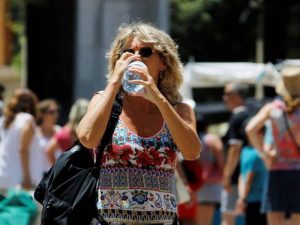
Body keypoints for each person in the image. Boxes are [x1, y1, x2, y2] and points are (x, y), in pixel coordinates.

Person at [76, 22, 202, 225]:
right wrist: (114, 83)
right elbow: (87, 139)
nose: (136, 57)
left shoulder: (180, 109)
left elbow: (192, 152)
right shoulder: (104, 101)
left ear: (163, 62)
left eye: (145, 52)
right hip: (109, 221)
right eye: (128, 52)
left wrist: (159, 99)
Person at [246, 67, 300, 225]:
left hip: (277, 169)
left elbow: (250, 129)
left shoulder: (273, 108)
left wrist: (263, 153)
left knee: (275, 219)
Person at [221, 82, 251, 225]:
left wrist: (227, 175)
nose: (224, 98)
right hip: (249, 174)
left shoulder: (237, 117)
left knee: (228, 218)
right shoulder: (251, 114)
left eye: (227, 94)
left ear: (237, 95)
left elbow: (234, 148)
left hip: (235, 177)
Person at [0, 88, 39, 191]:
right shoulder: (27, 119)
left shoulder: (4, 120)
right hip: (17, 178)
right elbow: (23, 149)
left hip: (3, 173)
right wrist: (26, 177)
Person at [196, 116, 224, 225]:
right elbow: (220, 154)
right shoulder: (212, 138)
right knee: (208, 217)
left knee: (198, 218)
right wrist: (223, 171)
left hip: (197, 181)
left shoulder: (193, 139)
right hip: (212, 181)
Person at [236, 127, 267, 225]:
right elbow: (249, 178)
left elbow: (243, 176)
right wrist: (243, 198)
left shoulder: (245, 151)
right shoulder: (259, 153)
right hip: (259, 200)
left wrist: (241, 198)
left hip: (251, 199)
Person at [46, 98, 89, 165]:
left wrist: (57, 170)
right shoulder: (89, 130)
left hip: (70, 171)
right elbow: (49, 151)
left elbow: (49, 150)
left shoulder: (64, 133)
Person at [30, 99, 61, 185]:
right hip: (38, 178)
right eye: (51, 112)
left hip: (55, 177)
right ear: (42, 114)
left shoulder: (59, 131)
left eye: (56, 111)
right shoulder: (34, 133)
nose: (55, 115)